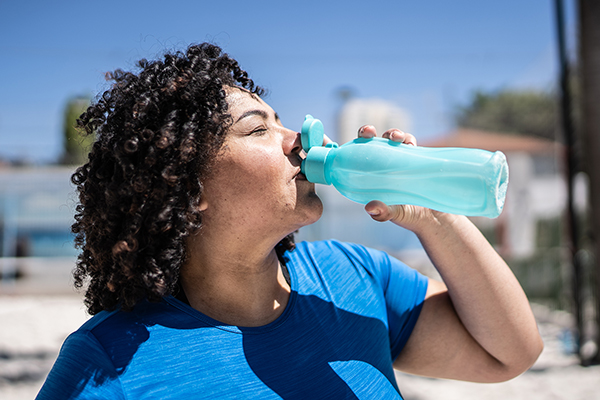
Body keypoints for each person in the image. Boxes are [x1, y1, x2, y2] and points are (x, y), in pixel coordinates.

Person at [36, 43, 543, 399]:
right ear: (188, 189)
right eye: (258, 129)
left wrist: (433, 217)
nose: (297, 139)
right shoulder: (110, 361)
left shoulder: (350, 274)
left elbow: (508, 354)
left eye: (282, 121)